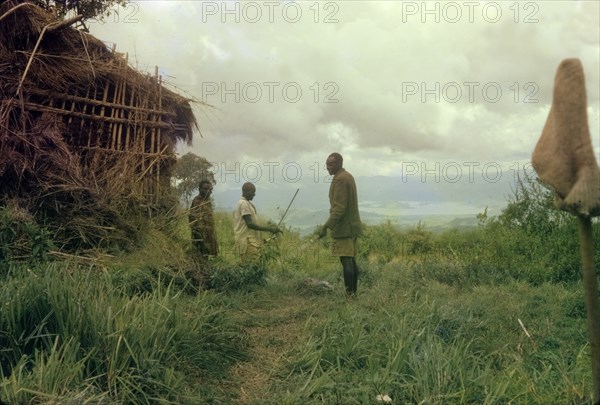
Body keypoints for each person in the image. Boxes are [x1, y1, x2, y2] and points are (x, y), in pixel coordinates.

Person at [318, 153, 362, 296]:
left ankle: (350, 295)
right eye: (326, 164)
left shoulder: (340, 180)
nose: (327, 167)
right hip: (352, 226)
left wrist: (326, 226)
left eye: (330, 164)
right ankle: (353, 294)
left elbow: (339, 208)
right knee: (351, 259)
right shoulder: (347, 176)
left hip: (344, 228)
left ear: (338, 164)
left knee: (346, 260)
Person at [233, 182, 281, 263]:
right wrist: (270, 229)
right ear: (246, 191)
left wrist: (260, 239)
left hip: (249, 240)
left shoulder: (246, 203)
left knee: (251, 266)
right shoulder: (244, 204)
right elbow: (250, 224)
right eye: (252, 192)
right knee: (253, 266)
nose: (254, 194)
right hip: (247, 241)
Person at [189, 180, 218, 259]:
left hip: (210, 236)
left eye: (210, 189)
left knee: (210, 259)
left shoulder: (207, 200)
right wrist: (201, 240)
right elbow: (194, 223)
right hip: (201, 239)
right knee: (200, 259)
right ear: (199, 189)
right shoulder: (197, 201)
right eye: (205, 189)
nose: (208, 191)